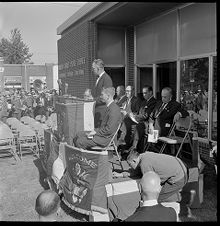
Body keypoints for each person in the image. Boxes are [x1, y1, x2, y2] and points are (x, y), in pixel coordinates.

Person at [113, 150, 189, 203]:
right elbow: (137, 171)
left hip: (180, 176)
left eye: (130, 165)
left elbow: (148, 185)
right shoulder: (144, 155)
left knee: (154, 197)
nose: (130, 167)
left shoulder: (144, 164)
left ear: (134, 161)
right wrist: (121, 175)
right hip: (181, 165)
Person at [128, 86, 157, 152]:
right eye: (143, 93)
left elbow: (146, 115)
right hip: (140, 121)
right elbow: (139, 113)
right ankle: (127, 146)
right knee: (127, 123)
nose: (144, 95)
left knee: (138, 127)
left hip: (148, 123)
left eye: (145, 93)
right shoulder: (143, 102)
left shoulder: (154, 102)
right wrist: (133, 116)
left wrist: (135, 117)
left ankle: (134, 147)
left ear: (150, 92)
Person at [91, 59, 113, 128]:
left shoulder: (106, 79)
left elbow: (106, 97)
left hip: (102, 114)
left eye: (93, 68)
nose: (92, 70)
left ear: (98, 68)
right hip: (98, 112)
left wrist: (93, 100)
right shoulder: (99, 78)